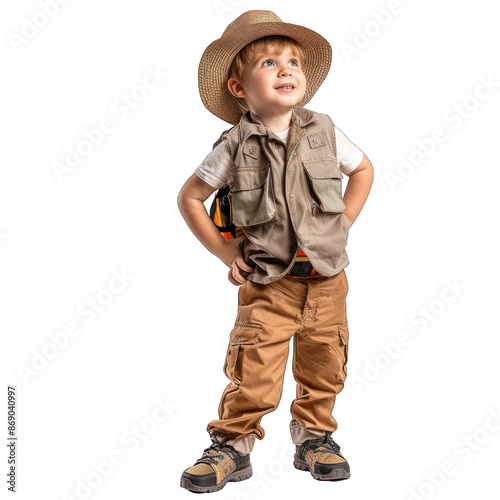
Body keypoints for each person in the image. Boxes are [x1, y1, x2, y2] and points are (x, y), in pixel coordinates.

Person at [177, 9, 373, 493]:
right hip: (269, 283)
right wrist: (227, 254)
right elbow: (191, 199)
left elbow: (364, 170)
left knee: (325, 362)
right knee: (255, 369)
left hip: (327, 279)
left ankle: (315, 437)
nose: (286, 70)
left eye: (292, 62)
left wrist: (343, 221)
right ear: (239, 88)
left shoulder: (325, 130)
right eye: (268, 62)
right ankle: (232, 445)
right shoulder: (235, 144)